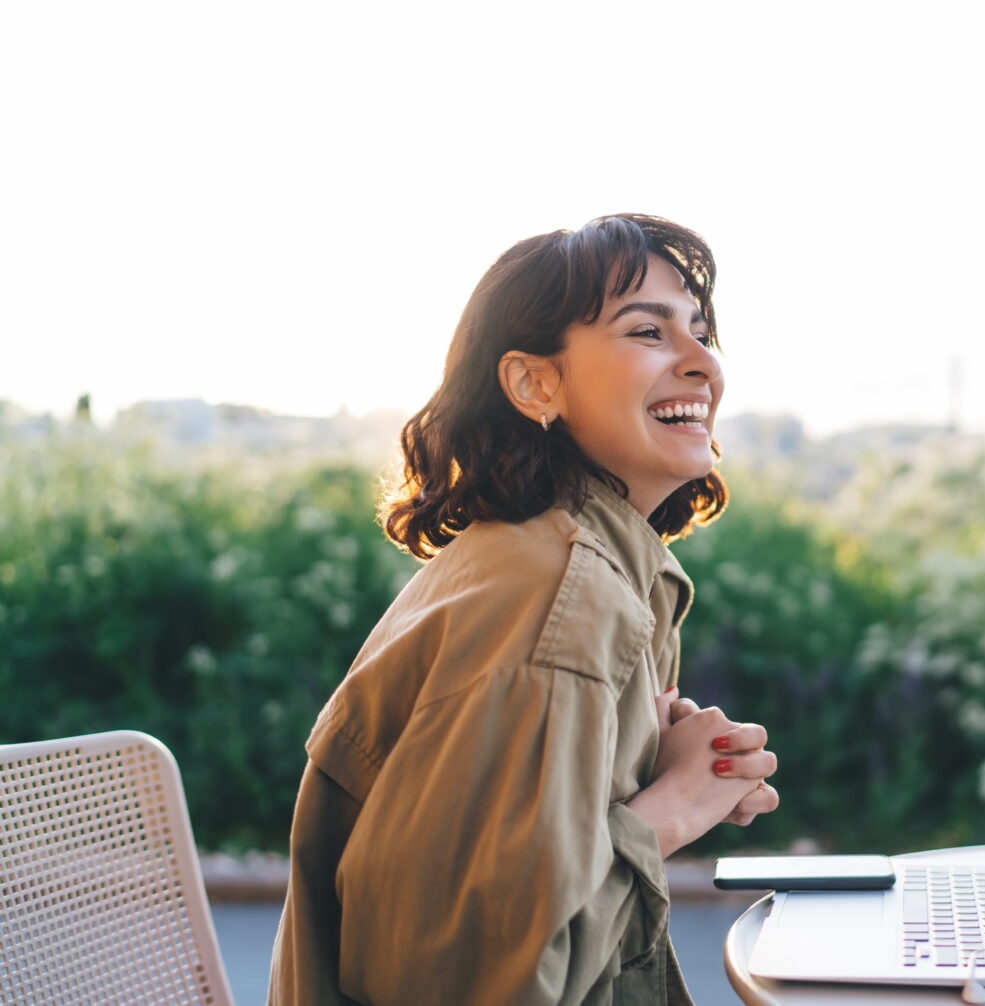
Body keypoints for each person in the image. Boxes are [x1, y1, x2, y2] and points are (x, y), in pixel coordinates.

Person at [268, 214, 779, 1005]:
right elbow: (474, 986)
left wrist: (653, 765)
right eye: (649, 330)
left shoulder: (559, 562)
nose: (701, 363)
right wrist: (670, 812)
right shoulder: (558, 605)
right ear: (535, 384)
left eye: (701, 332)